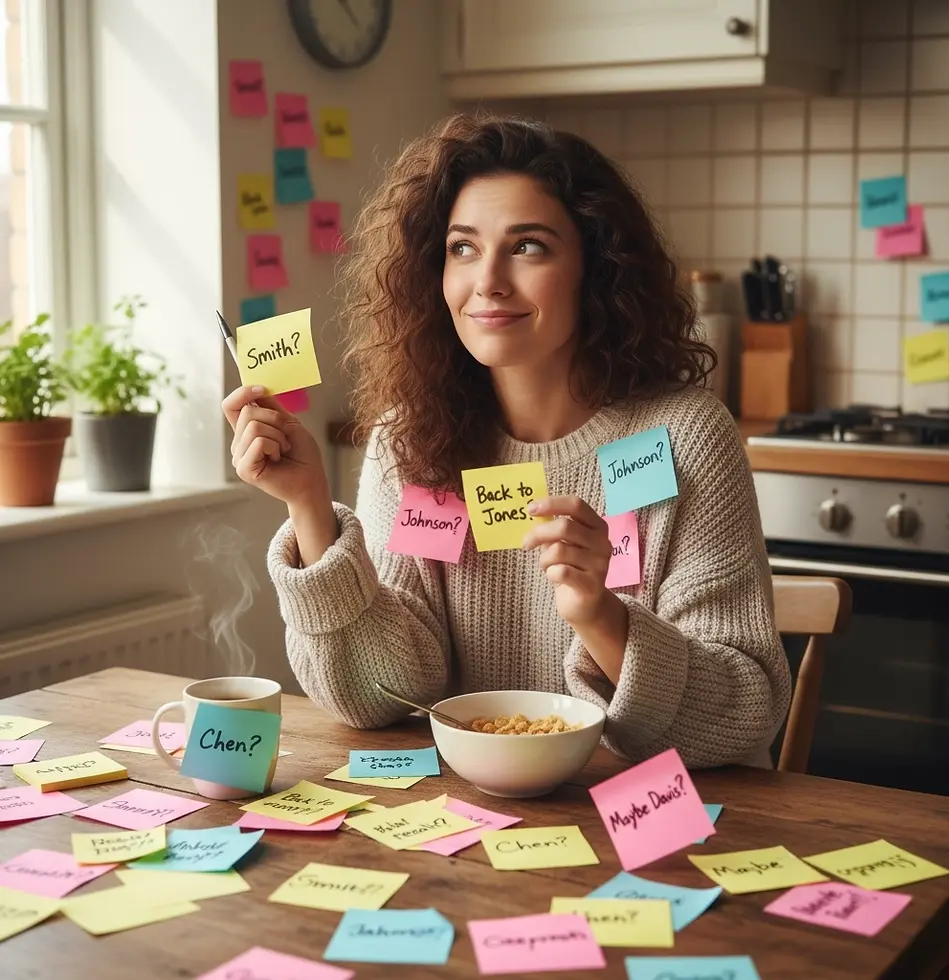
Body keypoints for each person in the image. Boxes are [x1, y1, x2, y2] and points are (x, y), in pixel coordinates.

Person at [222, 113, 790, 768]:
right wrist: (309, 507)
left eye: (528, 246)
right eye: (463, 247)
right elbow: (383, 695)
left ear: (596, 266)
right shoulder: (409, 442)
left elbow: (746, 707)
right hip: (476, 827)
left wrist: (601, 616)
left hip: (646, 828)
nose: (488, 279)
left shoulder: (686, 436)